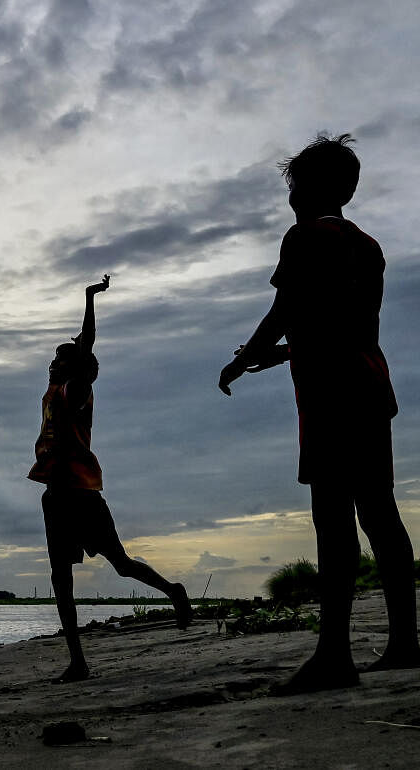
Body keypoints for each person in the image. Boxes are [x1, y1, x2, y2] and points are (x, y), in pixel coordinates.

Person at [219, 134, 417, 693]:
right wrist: (282, 353)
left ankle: (334, 655)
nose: (290, 197)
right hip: (370, 387)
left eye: (294, 185)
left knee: (332, 519)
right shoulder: (368, 246)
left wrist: (245, 359)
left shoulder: (305, 236)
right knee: (379, 512)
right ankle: (405, 642)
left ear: (310, 188)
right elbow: (339, 324)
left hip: (332, 395)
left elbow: (286, 308)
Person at [30, 275, 191, 684]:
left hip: (82, 494)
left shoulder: (74, 390)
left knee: (119, 565)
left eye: (61, 358)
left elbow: (86, 349)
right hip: (56, 495)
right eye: (54, 358)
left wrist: (90, 301)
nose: (53, 361)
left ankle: (173, 590)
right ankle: (78, 662)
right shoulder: (52, 394)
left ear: (77, 368)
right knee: (60, 579)